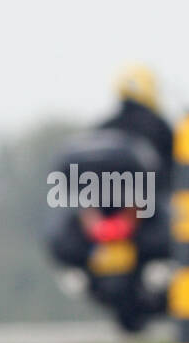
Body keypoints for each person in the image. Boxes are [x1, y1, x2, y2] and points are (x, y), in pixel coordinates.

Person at [46, 65, 175, 305]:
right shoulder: (161, 127)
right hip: (140, 214)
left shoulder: (103, 127)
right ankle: (157, 276)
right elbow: (175, 173)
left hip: (104, 212)